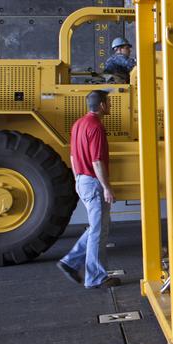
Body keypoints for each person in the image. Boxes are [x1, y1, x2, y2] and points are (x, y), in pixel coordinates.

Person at [58, 90, 120, 289]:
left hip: (82, 180)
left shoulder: (78, 124)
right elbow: (97, 161)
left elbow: (73, 157)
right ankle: (96, 277)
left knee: (99, 225)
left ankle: (69, 262)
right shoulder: (96, 127)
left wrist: (78, 178)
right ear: (102, 105)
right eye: (108, 102)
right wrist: (106, 187)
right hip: (94, 182)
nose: (110, 105)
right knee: (98, 231)